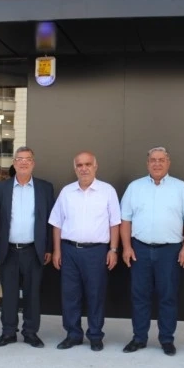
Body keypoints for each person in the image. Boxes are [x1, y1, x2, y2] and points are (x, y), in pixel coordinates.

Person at [120, 147, 184, 356]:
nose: (157, 164)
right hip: (140, 249)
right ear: (147, 163)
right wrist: (126, 247)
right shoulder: (135, 187)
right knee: (139, 296)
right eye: (153, 160)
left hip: (170, 252)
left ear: (168, 163)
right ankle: (139, 338)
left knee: (168, 296)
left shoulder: (181, 188)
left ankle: (166, 339)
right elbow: (125, 219)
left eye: (161, 160)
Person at [49, 151, 120, 352]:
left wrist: (113, 249)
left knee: (95, 295)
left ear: (95, 166)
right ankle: (73, 335)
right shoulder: (67, 192)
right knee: (70, 295)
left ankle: (95, 335)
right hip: (69, 250)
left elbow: (115, 222)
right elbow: (57, 223)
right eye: (79, 165)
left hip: (96, 252)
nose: (84, 168)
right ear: (75, 169)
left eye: (88, 164)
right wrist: (56, 251)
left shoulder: (107, 191)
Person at [0, 146, 55, 348]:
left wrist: (48, 248)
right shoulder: (1, 188)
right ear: (14, 163)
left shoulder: (45, 188)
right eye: (20, 159)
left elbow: (50, 221)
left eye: (28, 159)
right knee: (9, 294)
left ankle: (30, 332)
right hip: (8, 250)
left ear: (33, 163)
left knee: (32, 294)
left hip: (34, 250)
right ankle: (8, 332)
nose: (24, 162)